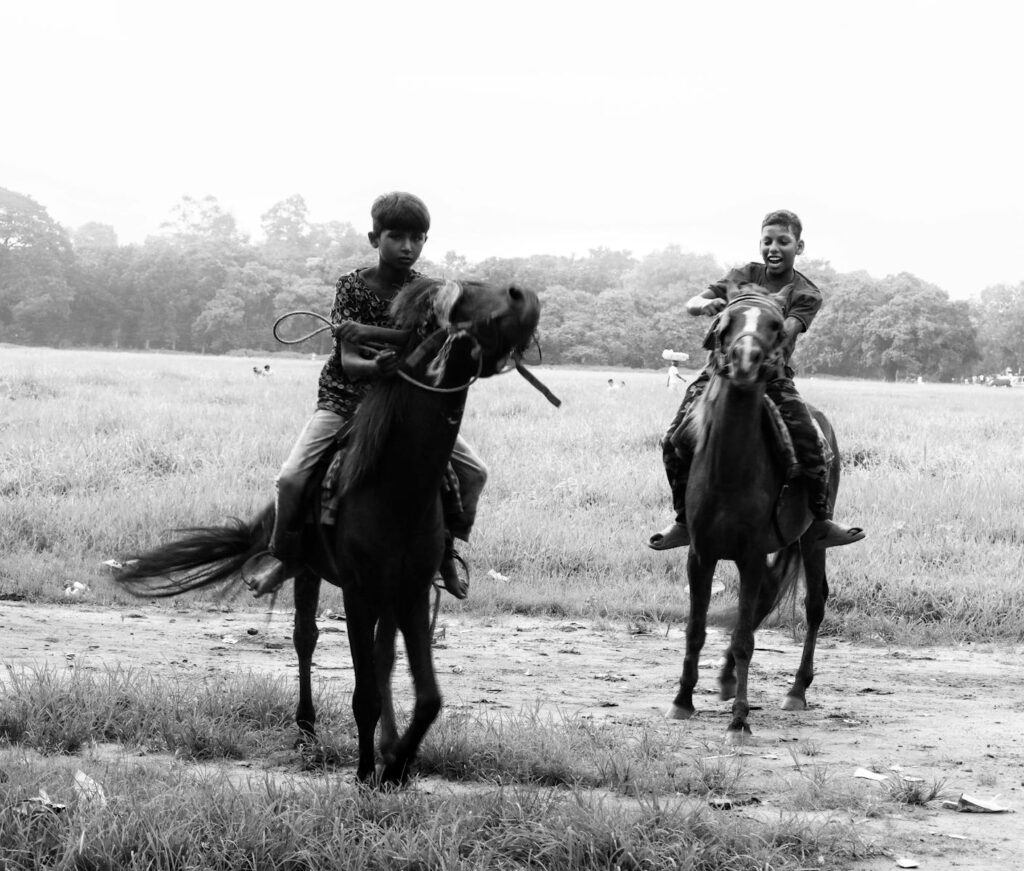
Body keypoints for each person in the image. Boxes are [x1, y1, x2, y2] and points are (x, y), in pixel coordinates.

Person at [245, 191, 485, 599]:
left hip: (407, 406)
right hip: (345, 399)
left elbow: (429, 341)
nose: (408, 247)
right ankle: (284, 554)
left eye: (418, 237)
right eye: (396, 236)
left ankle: (444, 550)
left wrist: (387, 344)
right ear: (375, 239)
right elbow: (350, 359)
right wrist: (374, 367)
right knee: (291, 478)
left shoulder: (431, 292)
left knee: (474, 472)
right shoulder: (351, 288)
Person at [649, 209, 864, 551]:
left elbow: (789, 329)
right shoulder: (743, 275)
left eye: (783, 241)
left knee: (814, 446)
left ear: (799, 245)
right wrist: (703, 305)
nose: (774, 247)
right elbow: (693, 302)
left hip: (772, 377)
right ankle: (683, 521)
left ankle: (820, 522)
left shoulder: (806, 293)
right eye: (767, 241)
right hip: (719, 375)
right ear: (760, 244)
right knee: (673, 442)